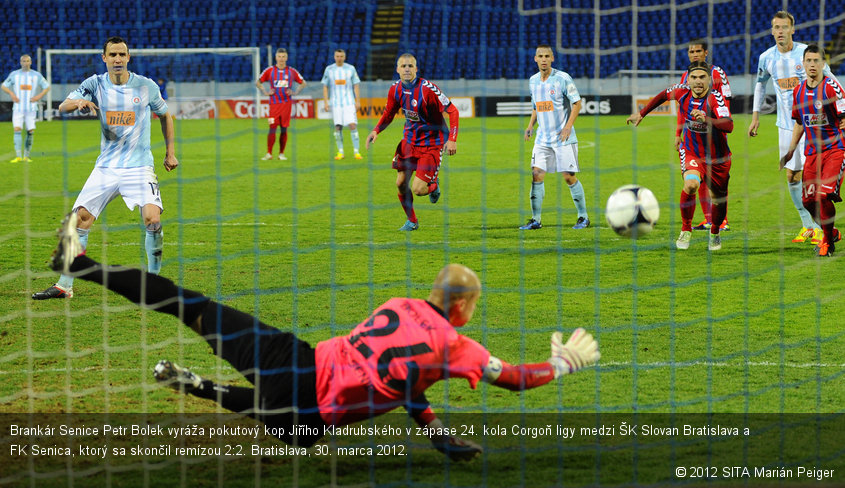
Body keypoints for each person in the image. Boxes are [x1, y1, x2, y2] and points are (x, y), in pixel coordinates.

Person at [47, 212, 600, 459]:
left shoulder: (399, 302)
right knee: (286, 427)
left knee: (186, 303)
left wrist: (435, 432)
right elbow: (518, 380)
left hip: (289, 358)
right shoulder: (461, 347)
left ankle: (81, 263)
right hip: (312, 416)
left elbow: (410, 381)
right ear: (465, 305)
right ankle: (197, 386)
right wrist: (565, 362)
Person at [32, 36, 177, 300]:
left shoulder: (145, 86)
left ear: (128, 57)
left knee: (153, 220)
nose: (118, 59)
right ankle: (64, 286)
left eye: (122, 54)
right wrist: (79, 103)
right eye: (113, 55)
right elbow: (63, 105)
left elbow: (165, 114)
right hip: (106, 168)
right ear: (104, 58)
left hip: (139, 167)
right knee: (80, 220)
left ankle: (155, 284)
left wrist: (170, 153)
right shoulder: (94, 84)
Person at [748, 11, 839, 245]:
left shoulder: (806, 53)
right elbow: (760, 85)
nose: (780, 31)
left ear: (792, 29)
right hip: (787, 126)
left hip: (815, 126)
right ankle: (808, 225)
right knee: (791, 175)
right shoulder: (766, 58)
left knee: (816, 177)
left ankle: (823, 228)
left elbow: (830, 78)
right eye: (776, 27)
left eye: (784, 27)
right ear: (771, 31)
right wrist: (755, 116)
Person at [627, 61, 733, 251]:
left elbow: (729, 125)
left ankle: (715, 231)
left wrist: (706, 119)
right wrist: (642, 113)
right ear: (688, 79)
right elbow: (662, 96)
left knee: (719, 199)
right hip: (692, 150)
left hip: (718, 158)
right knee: (691, 184)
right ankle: (685, 229)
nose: (698, 81)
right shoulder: (681, 91)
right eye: (694, 77)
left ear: (709, 79)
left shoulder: (716, 98)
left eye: (702, 77)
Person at [366, 53, 459, 231]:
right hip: (409, 142)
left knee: (419, 189)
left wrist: (452, 139)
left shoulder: (428, 89)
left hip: (431, 144)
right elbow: (389, 113)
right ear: (397, 69)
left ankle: (433, 184)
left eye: (410, 66)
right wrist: (376, 130)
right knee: (400, 183)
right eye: (403, 66)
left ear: (416, 69)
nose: (407, 69)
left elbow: (453, 111)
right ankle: (412, 221)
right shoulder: (395, 89)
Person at [779, 44, 845, 257]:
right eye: (809, 61)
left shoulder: (831, 87)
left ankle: (827, 243)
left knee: (824, 195)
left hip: (836, 149)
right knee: (808, 200)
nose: (812, 64)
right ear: (803, 64)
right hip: (812, 153)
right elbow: (799, 123)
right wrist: (790, 151)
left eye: (817, 60)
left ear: (823, 64)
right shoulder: (798, 91)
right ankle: (831, 232)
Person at [520, 44, 589, 231]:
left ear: (552, 58)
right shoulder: (533, 81)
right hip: (542, 139)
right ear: (535, 58)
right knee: (536, 175)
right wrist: (530, 126)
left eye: (547, 56)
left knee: (568, 176)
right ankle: (536, 220)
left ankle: (583, 217)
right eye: (540, 56)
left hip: (563, 138)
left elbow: (577, 103)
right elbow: (536, 106)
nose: (543, 59)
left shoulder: (562, 78)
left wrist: (568, 127)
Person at [678, 39, 732, 232]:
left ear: (706, 53)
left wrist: (717, 122)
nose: (694, 54)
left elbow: (725, 101)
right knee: (697, 176)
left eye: (698, 51)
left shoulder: (718, 73)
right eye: (691, 51)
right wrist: (679, 133)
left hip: (715, 131)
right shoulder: (687, 75)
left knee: (716, 180)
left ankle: (721, 220)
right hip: (694, 133)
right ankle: (709, 219)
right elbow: (683, 106)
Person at [256, 48, 306, 161]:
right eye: (279, 56)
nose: (281, 59)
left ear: (287, 58)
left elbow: (303, 83)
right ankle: (269, 153)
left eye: (283, 57)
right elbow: (258, 82)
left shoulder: (292, 71)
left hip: (286, 105)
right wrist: (265, 92)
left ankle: (281, 154)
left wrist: (295, 92)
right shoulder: (269, 71)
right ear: (276, 58)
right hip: (274, 105)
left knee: (284, 129)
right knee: (272, 128)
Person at [2, 54, 50, 163]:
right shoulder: (14, 75)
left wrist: (38, 96)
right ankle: (18, 156)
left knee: (30, 131)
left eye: (27, 61)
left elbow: (47, 87)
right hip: (18, 107)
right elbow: (4, 86)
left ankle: (26, 156)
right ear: (20, 62)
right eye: (23, 61)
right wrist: (12, 94)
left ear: (31, 62)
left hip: (31, 108)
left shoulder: (36, 75)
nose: (25, 63)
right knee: (17, 129)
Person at [321, 49, 362, 160]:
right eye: (337, 56)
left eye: (341, 56)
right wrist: (326, 102)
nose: (339, 58)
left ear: (344, 57)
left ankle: (356, 152)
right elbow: (325, 86)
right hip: (335, 104)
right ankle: (341, 152)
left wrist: (358, 101)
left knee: (352, 125)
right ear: (334, 57)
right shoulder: (329, 69)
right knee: (338, 127)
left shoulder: (350, 69)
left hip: (349, 102)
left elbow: (356, 85)